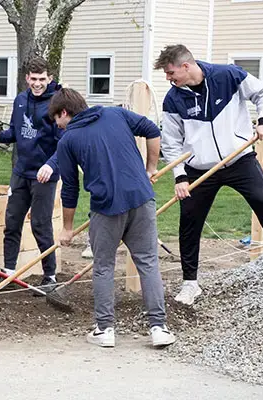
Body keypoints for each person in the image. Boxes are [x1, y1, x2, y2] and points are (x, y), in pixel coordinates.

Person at [154, 44, 263, 305]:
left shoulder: (228, 75)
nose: (168, 79)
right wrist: (180, 177)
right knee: (189, 223)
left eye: (171, 73)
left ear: (186, 66)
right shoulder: (173, 99)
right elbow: (170, 143)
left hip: (238, 159)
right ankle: (190, 284)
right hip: (199, 168)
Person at [51, 87, 176, 349]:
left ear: (64, 112)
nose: (57, 125)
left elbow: (70, 189)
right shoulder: (116, 114)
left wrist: (67, 228)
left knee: (104, 266)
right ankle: (159, 328)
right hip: (142, 198)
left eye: (56, 119)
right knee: (148, 262)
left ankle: (105, 329)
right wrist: (150, 169)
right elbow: (153, 130)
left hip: (106, 208)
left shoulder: (68, 141)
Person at [0, 57, 62, 294]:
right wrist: (0, 136)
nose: (38, 83)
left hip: (44, 174)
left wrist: (51, 166)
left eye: (42, 79)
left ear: (49, 78)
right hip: (21, 171)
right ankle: (8, 273)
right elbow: (16, 131)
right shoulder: (20, 100)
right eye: (34, 79)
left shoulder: (57, 103)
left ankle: (50, 276)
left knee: (41, 225)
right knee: (12, 222)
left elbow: (65, 142)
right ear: (27, 78)